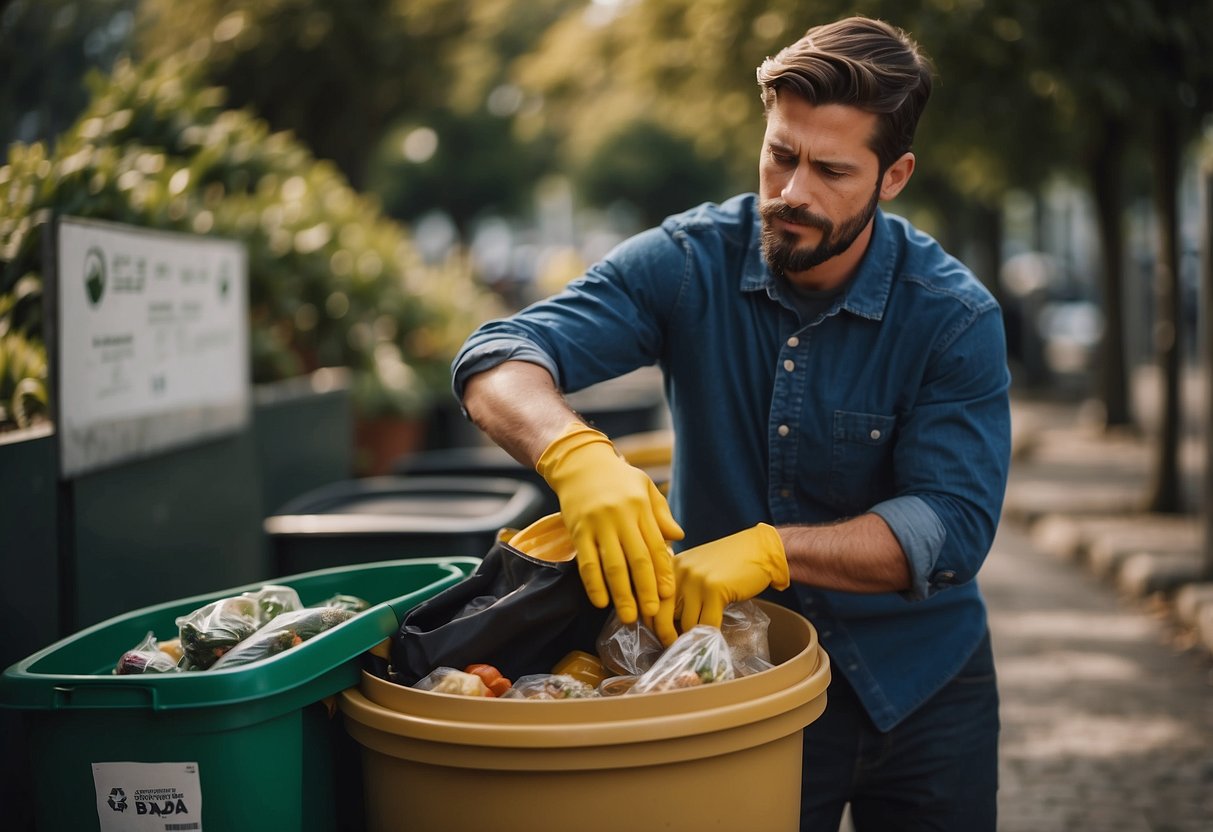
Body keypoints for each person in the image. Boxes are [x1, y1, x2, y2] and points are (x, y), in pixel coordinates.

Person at [453, 15, 1010, 832]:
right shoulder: (687, 262)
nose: (793, 192)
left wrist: (770, 551)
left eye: (831, 170)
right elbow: (498, 353)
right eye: (781, 154)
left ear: (894, 176)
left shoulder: (953, 317)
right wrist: (573, 454)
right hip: (731, 684)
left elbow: (952, 525)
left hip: (924, 686)